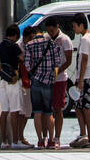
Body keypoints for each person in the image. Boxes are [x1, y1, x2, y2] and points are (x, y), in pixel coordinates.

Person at [23, 19, 64, 148]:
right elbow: (57, 63)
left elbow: (27, 65)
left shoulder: (29, 45)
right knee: (48, 112)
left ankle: (40, 140)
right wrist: (51, 75)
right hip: (48, 82)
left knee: (37, 112)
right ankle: (51, 140)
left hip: (35, 82)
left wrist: (36, 75)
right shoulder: (52, 44)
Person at [69, 12, 90, 149]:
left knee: (86, 107)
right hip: (85, 77)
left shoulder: (86, 39)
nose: (74, 29)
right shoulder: (86, 38)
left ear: (81, 25)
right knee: (78, 106)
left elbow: (84, 60)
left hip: (88, 77)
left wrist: (80, 79)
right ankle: (83, 134)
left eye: (75, 26)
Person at [46, 19, 74, 148]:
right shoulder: (46, 38)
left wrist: (57, 71)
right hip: (46, 79)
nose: (50, 33)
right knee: (46, 109)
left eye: (52, 30)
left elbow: (68, 61)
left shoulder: (65, 40)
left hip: (60, 79)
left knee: (58, 108)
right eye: (48, 31)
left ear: (57, 27)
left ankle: (57, 137)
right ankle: (48, 137)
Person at [0, 24, 23, 147]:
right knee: (15, 112)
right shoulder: (15, 46)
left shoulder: (0, 45)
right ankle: (15, 141)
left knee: (4, 111)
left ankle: (3, 142)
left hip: (3, 80)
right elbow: (22, 58)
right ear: (15, 36)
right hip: (13, 81)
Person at [17, 26, 36, 147]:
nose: (32, 40)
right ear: (25, 37)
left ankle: (20, 136)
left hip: (28, 81)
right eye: (30, 38)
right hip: (22, 82)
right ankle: (19, 137)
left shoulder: (30, 46)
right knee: (22, 111)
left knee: (27, 111)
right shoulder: (19, 47)